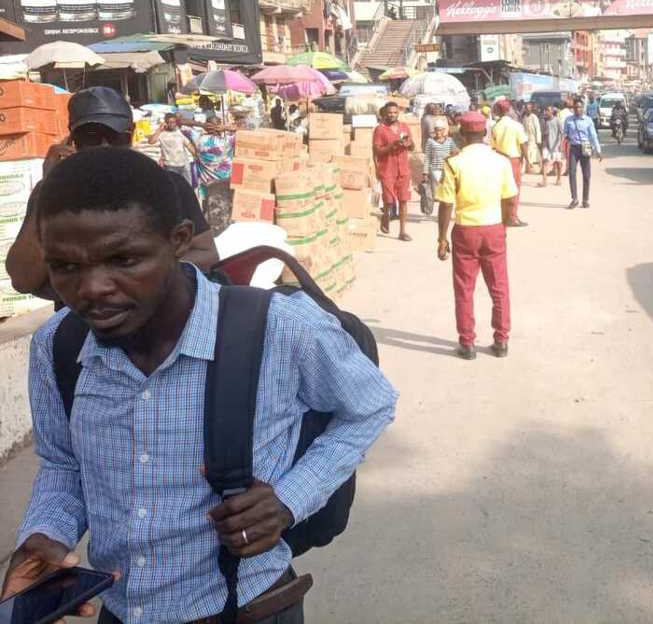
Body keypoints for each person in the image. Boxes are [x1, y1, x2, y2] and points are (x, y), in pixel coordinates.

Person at [2, 147, 397, 624]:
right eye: (66, 267)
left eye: (124, 259)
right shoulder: (58, 346)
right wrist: (46, 534)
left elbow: (370, 405)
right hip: (122, 611)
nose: (93, 289)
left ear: (179, 240)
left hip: (249, 607)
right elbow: (64, 464)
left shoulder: (277, 329)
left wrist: (291, 498)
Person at [5, 87, 218, 303]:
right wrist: (48, 188)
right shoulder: (53, 194)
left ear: (131, 134)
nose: (105, 147)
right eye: (91, 138)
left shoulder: (166, 185)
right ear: (71, 141)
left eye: (115, 137)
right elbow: (23, 279)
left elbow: (207, 254)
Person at [434, 112, 518, 360]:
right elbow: (508, 198)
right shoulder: (501, 161)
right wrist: (503, 226)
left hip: (465, 231)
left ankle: (467, 343)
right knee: (499, 288)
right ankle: (501, 341)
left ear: (461, 134)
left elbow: (446, 204)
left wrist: (441, 238)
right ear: (485, 134)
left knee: (464, 289)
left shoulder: (454, 163)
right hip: (493, 228)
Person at [374, 101, 414, 241]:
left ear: (398, 113)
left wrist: (408, 144)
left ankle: (402, 231)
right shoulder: (380, 129)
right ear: (385, 113)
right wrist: (392, 146)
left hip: (403, 169)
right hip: (387, 169)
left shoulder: (404, 127)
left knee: (403, 200)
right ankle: (386, 215)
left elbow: (412, 146)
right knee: (389, 200)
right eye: (390, 112)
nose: (392, 115)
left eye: (395, 112)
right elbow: (377, 151)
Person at [489, 99, 529, 228]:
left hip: (499, 159)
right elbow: (523, 144)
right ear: (508, 110)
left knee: (501, 189)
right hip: (513, 160)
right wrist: (527, 160)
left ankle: (503, 216)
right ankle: (512, 217)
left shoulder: (496, 126)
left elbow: (493, 146)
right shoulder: (516, 125)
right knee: (514, 189)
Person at [563, 98, 602, 209]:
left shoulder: (588, 120)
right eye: (575, 107)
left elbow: (593, 136)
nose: (577, 109)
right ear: (573, 108)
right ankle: (574, 199)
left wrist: (598, 150)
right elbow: (565, 133)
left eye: (580, 107)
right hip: (574, 147)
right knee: (572, 172)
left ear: (583, 108)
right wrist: (567, 137)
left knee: (586, 175)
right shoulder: (568, 120)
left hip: (586, 146)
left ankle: (585, 200)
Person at [147, 112, 199, 187]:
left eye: (173, 122)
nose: (172, 124)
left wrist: (196, 155)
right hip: (170, 166)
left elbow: (188, 145)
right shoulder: (162, 134)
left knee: (188, 187)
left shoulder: (179, 132)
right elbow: (151, 141)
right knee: (174, 187)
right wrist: (159, 129)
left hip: (184, 165)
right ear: (165, 123)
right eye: (169, 122)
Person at [421, 117, 456, 217]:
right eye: (437, 130)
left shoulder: (449, 141)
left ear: (444, 130)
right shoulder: (430, 142)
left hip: (446, 171)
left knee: (446, 193)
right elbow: (427, 157)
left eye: (440, 130)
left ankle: (445, 213)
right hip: (434, 170)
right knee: (432, 193)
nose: (438, 132)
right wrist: (425, 172)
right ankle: (428, 211)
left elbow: (455, 152)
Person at [538, 105, 564, 187]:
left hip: (556, 146)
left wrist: (560, 144)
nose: (546, 112)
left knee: (558, 163)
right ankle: (544, 180)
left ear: (552, 111)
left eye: (548, 110)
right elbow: (543, 133)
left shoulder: (557, 121)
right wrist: (542, 144)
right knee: (545, 162)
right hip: (547, 145)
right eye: (546, 110)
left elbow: (562, 133)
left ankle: (559, 178)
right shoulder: (545, 121)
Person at [522, 101, 542, 174]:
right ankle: (528, 167)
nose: (527, 109)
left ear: (531, 109)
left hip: (533, 137)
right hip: (526, 137)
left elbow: (538, 129)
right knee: (527, 152)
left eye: (529, 108)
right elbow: (523, 128)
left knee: (534, 152)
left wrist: (538, 140)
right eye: (526, 108)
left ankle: (535, 167)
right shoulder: (524, 117)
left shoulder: (534, 117)